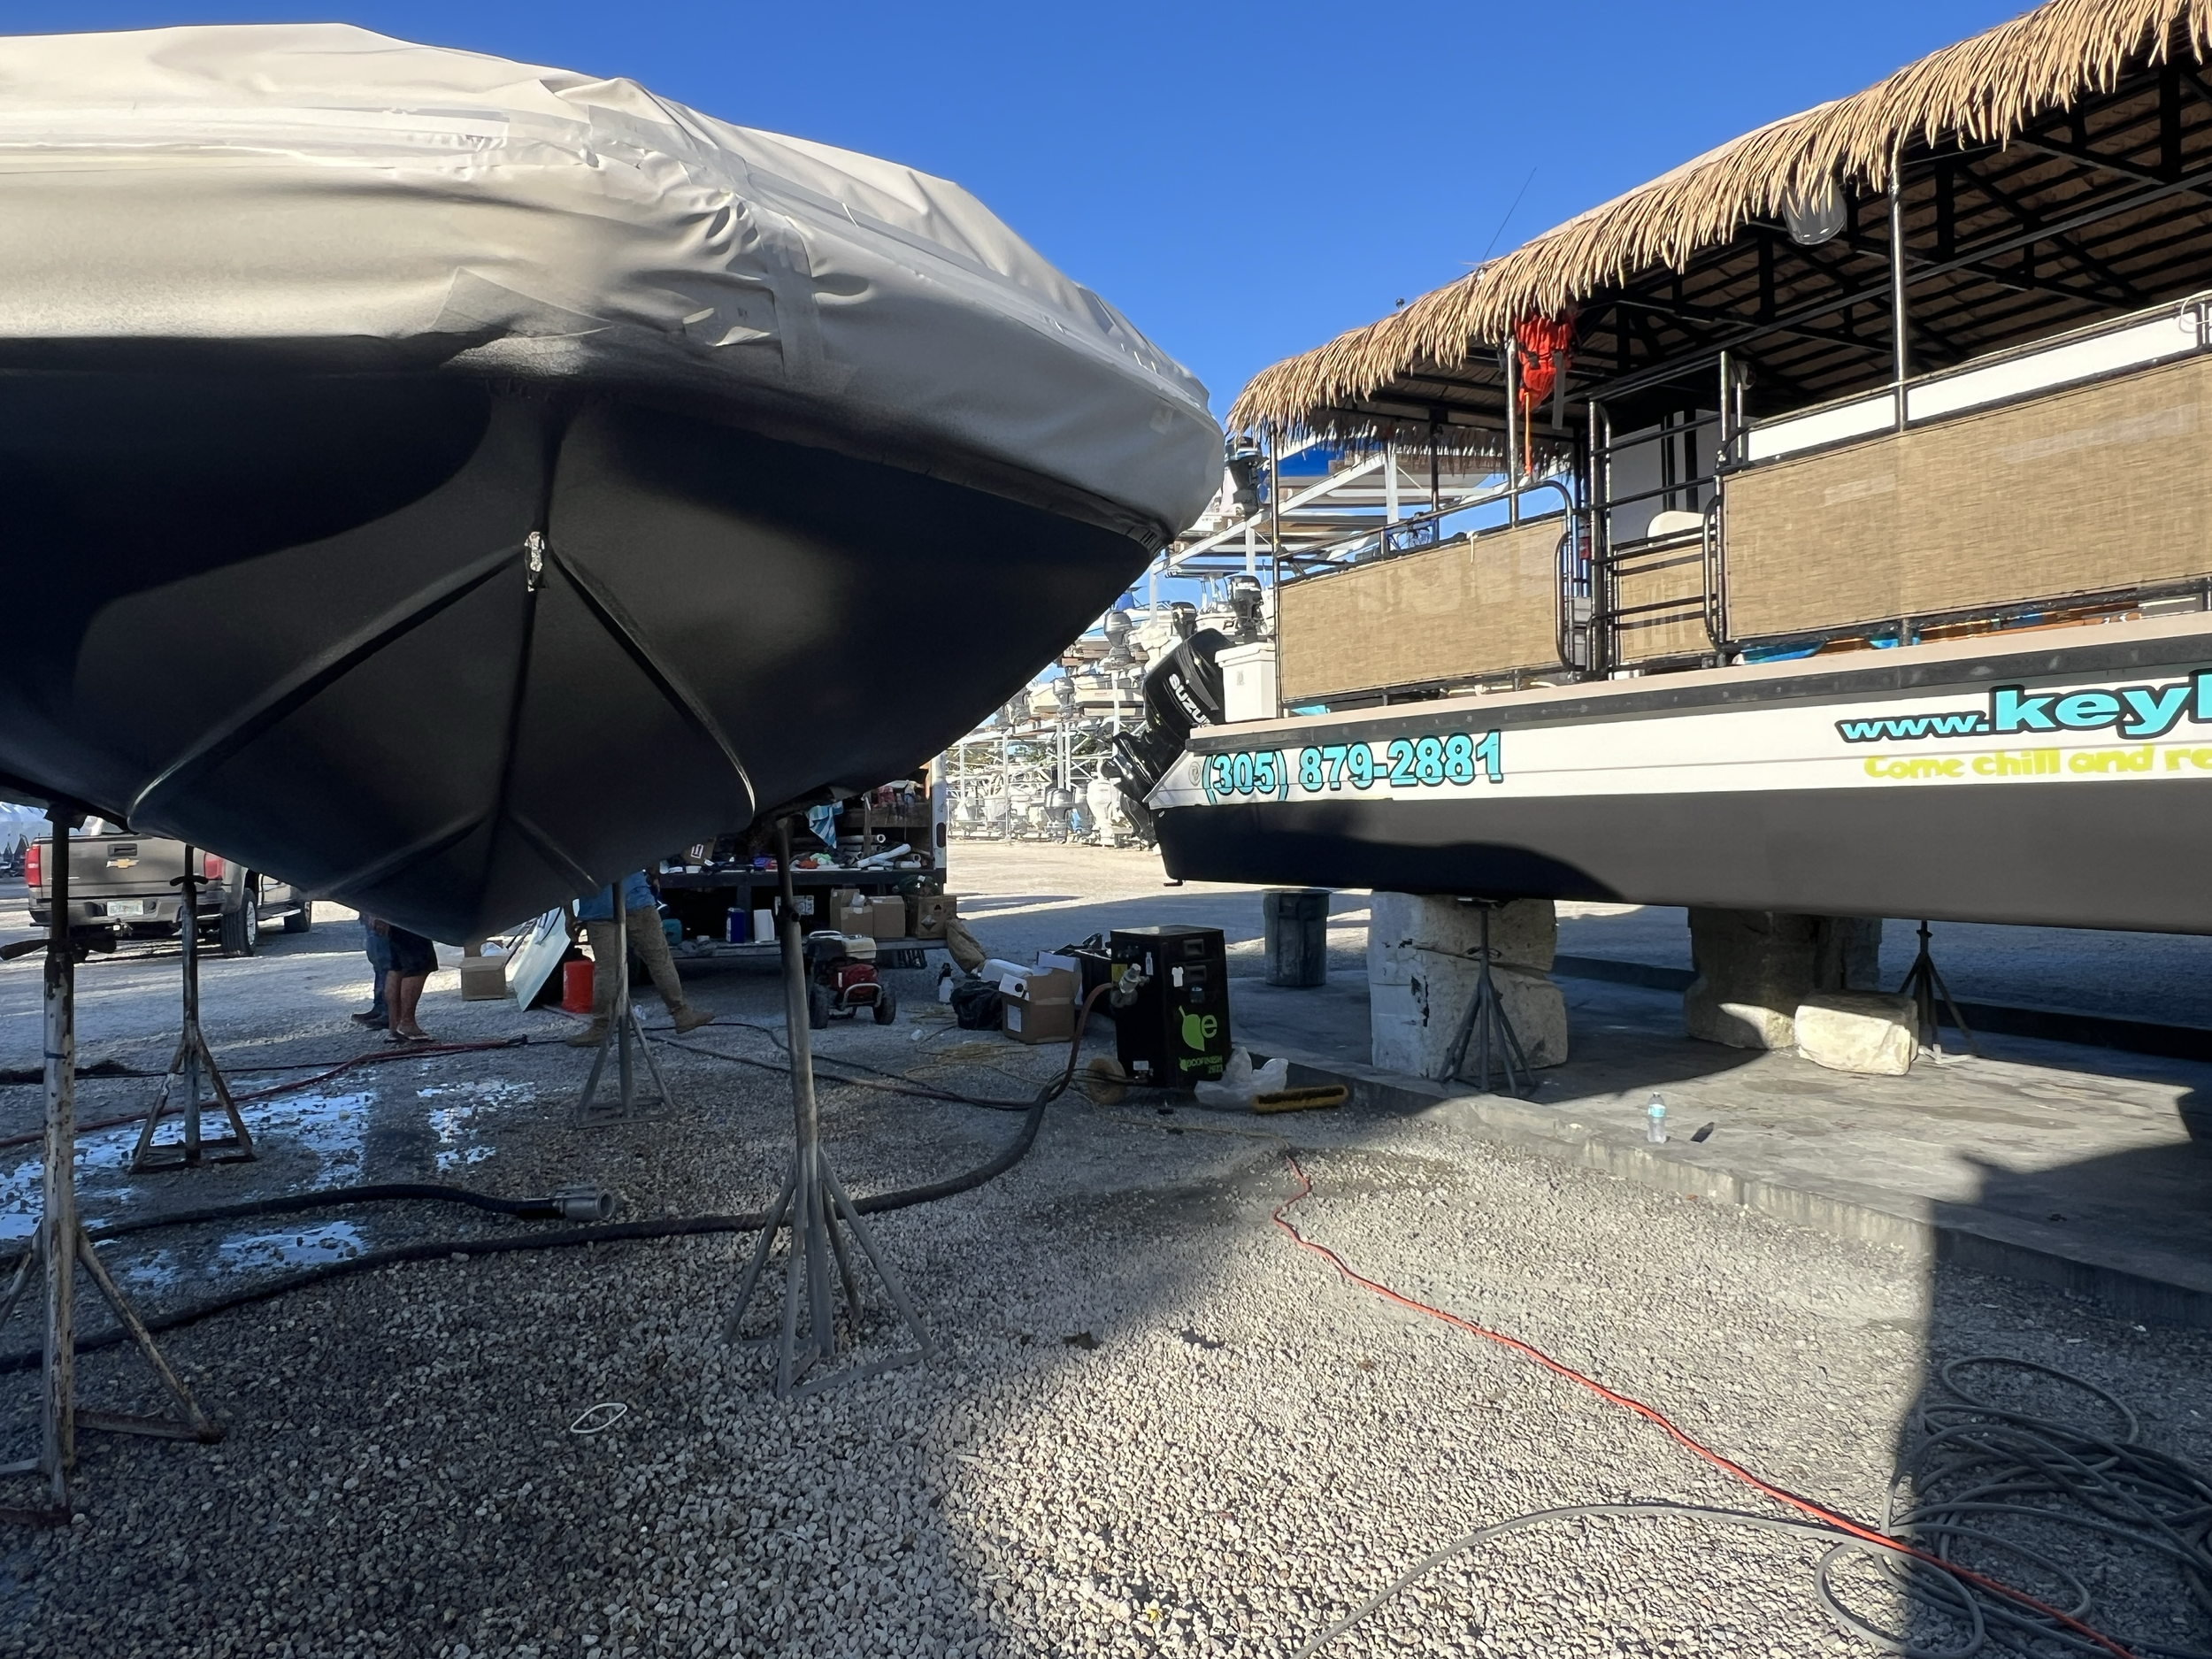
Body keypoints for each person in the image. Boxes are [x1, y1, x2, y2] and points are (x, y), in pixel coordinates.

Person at [569, 871, 710, 1047]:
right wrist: (654, 874)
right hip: (635, 898)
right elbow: (649, 853)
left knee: (606, 969)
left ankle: (601, 1027)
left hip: (597, 905)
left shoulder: (579, 842)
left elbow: (563, 877)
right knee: (659, 960)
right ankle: (682, 1014)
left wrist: (568, 914)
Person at [365, 917, 438, 1042]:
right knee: (418, 964)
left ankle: (395, 1026)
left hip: (391, 912)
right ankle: (407, 1024)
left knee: (397, 966)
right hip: (406, 912)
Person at [351, 916, 390, 1026]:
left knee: (385, 961)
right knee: (379, 961)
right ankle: (381, 1007)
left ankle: (388, 1011)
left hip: (377, 911)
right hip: (370, 911)